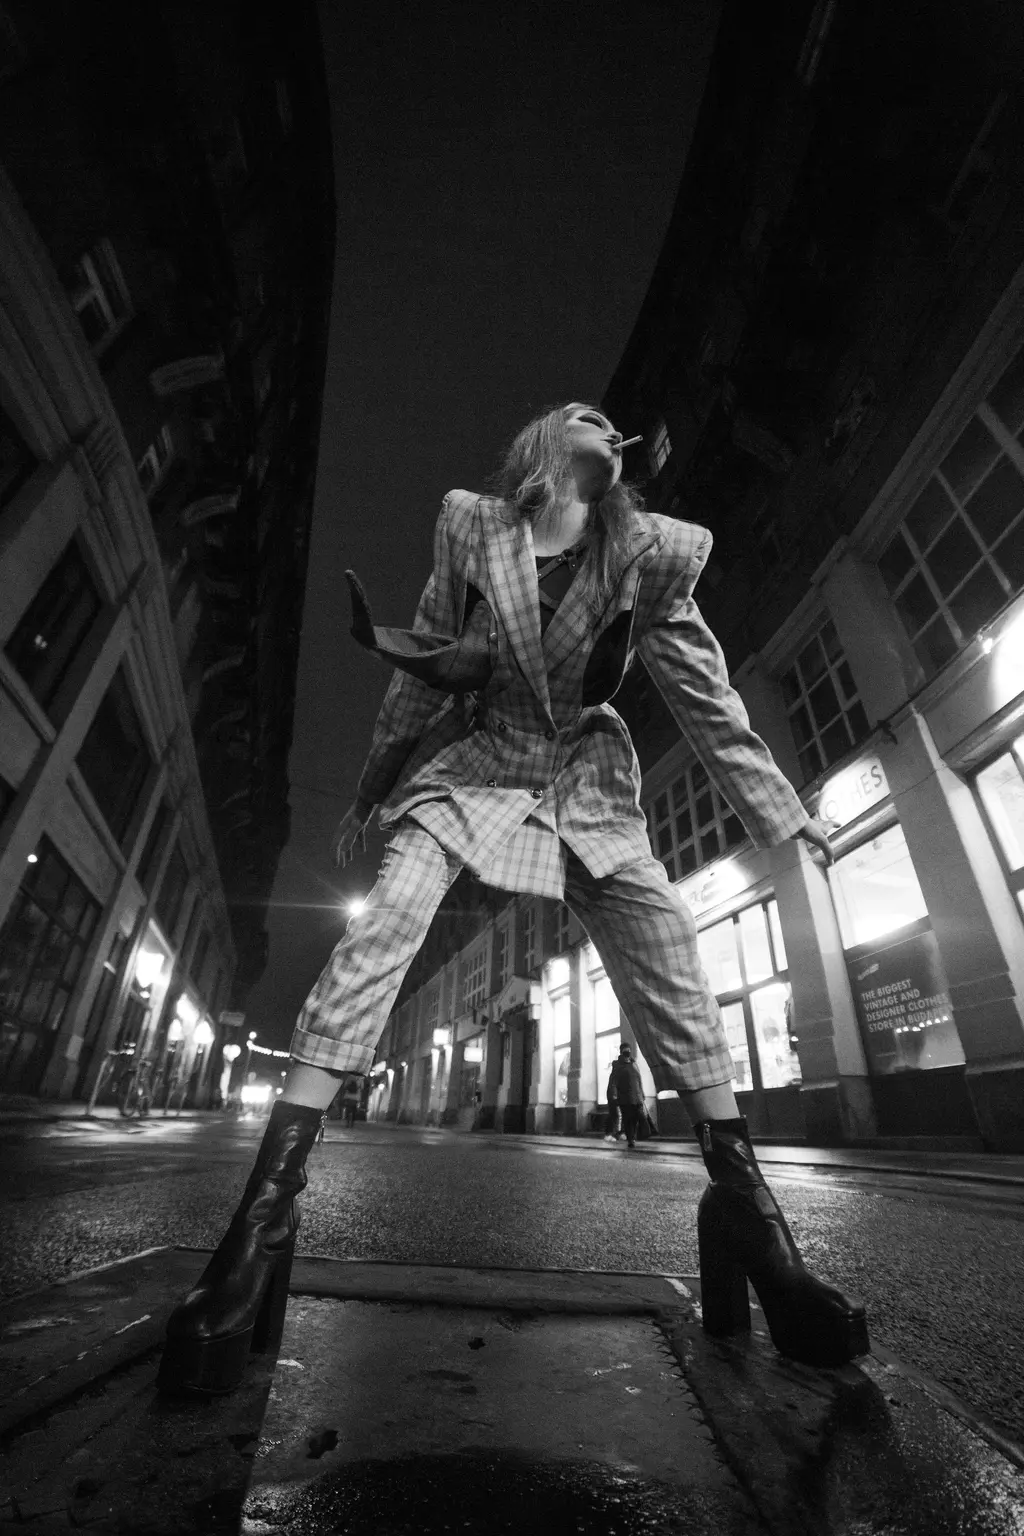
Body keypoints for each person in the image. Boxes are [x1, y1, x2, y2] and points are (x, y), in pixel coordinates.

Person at [158, 401, 867, 1396]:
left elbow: (707, 697)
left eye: (612, 423)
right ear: (540, 445)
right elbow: (420, 674)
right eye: (581, 413)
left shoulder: (650, 552)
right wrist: (370, 791)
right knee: (386, 924)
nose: (604, 421)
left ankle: (751, 1221)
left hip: (583, 774)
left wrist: (780, 813)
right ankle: (261, 1221)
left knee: (666, 942)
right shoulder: (472, 525)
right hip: (476, 761)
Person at [606, 1042, 645, 1147]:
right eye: (625, 1050)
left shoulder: (634, 1064)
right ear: (621, 1052)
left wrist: (642, 1093)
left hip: (637, 1097)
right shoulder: (617, 1065)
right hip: (625, 1097)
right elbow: (613, 1081)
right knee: (628, 1118)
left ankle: (633, 1136)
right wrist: (614, 1095)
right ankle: (631, 1139)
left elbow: (639, 1079)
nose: (627, 1052)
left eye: (628, 1050)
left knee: (636, 1117)